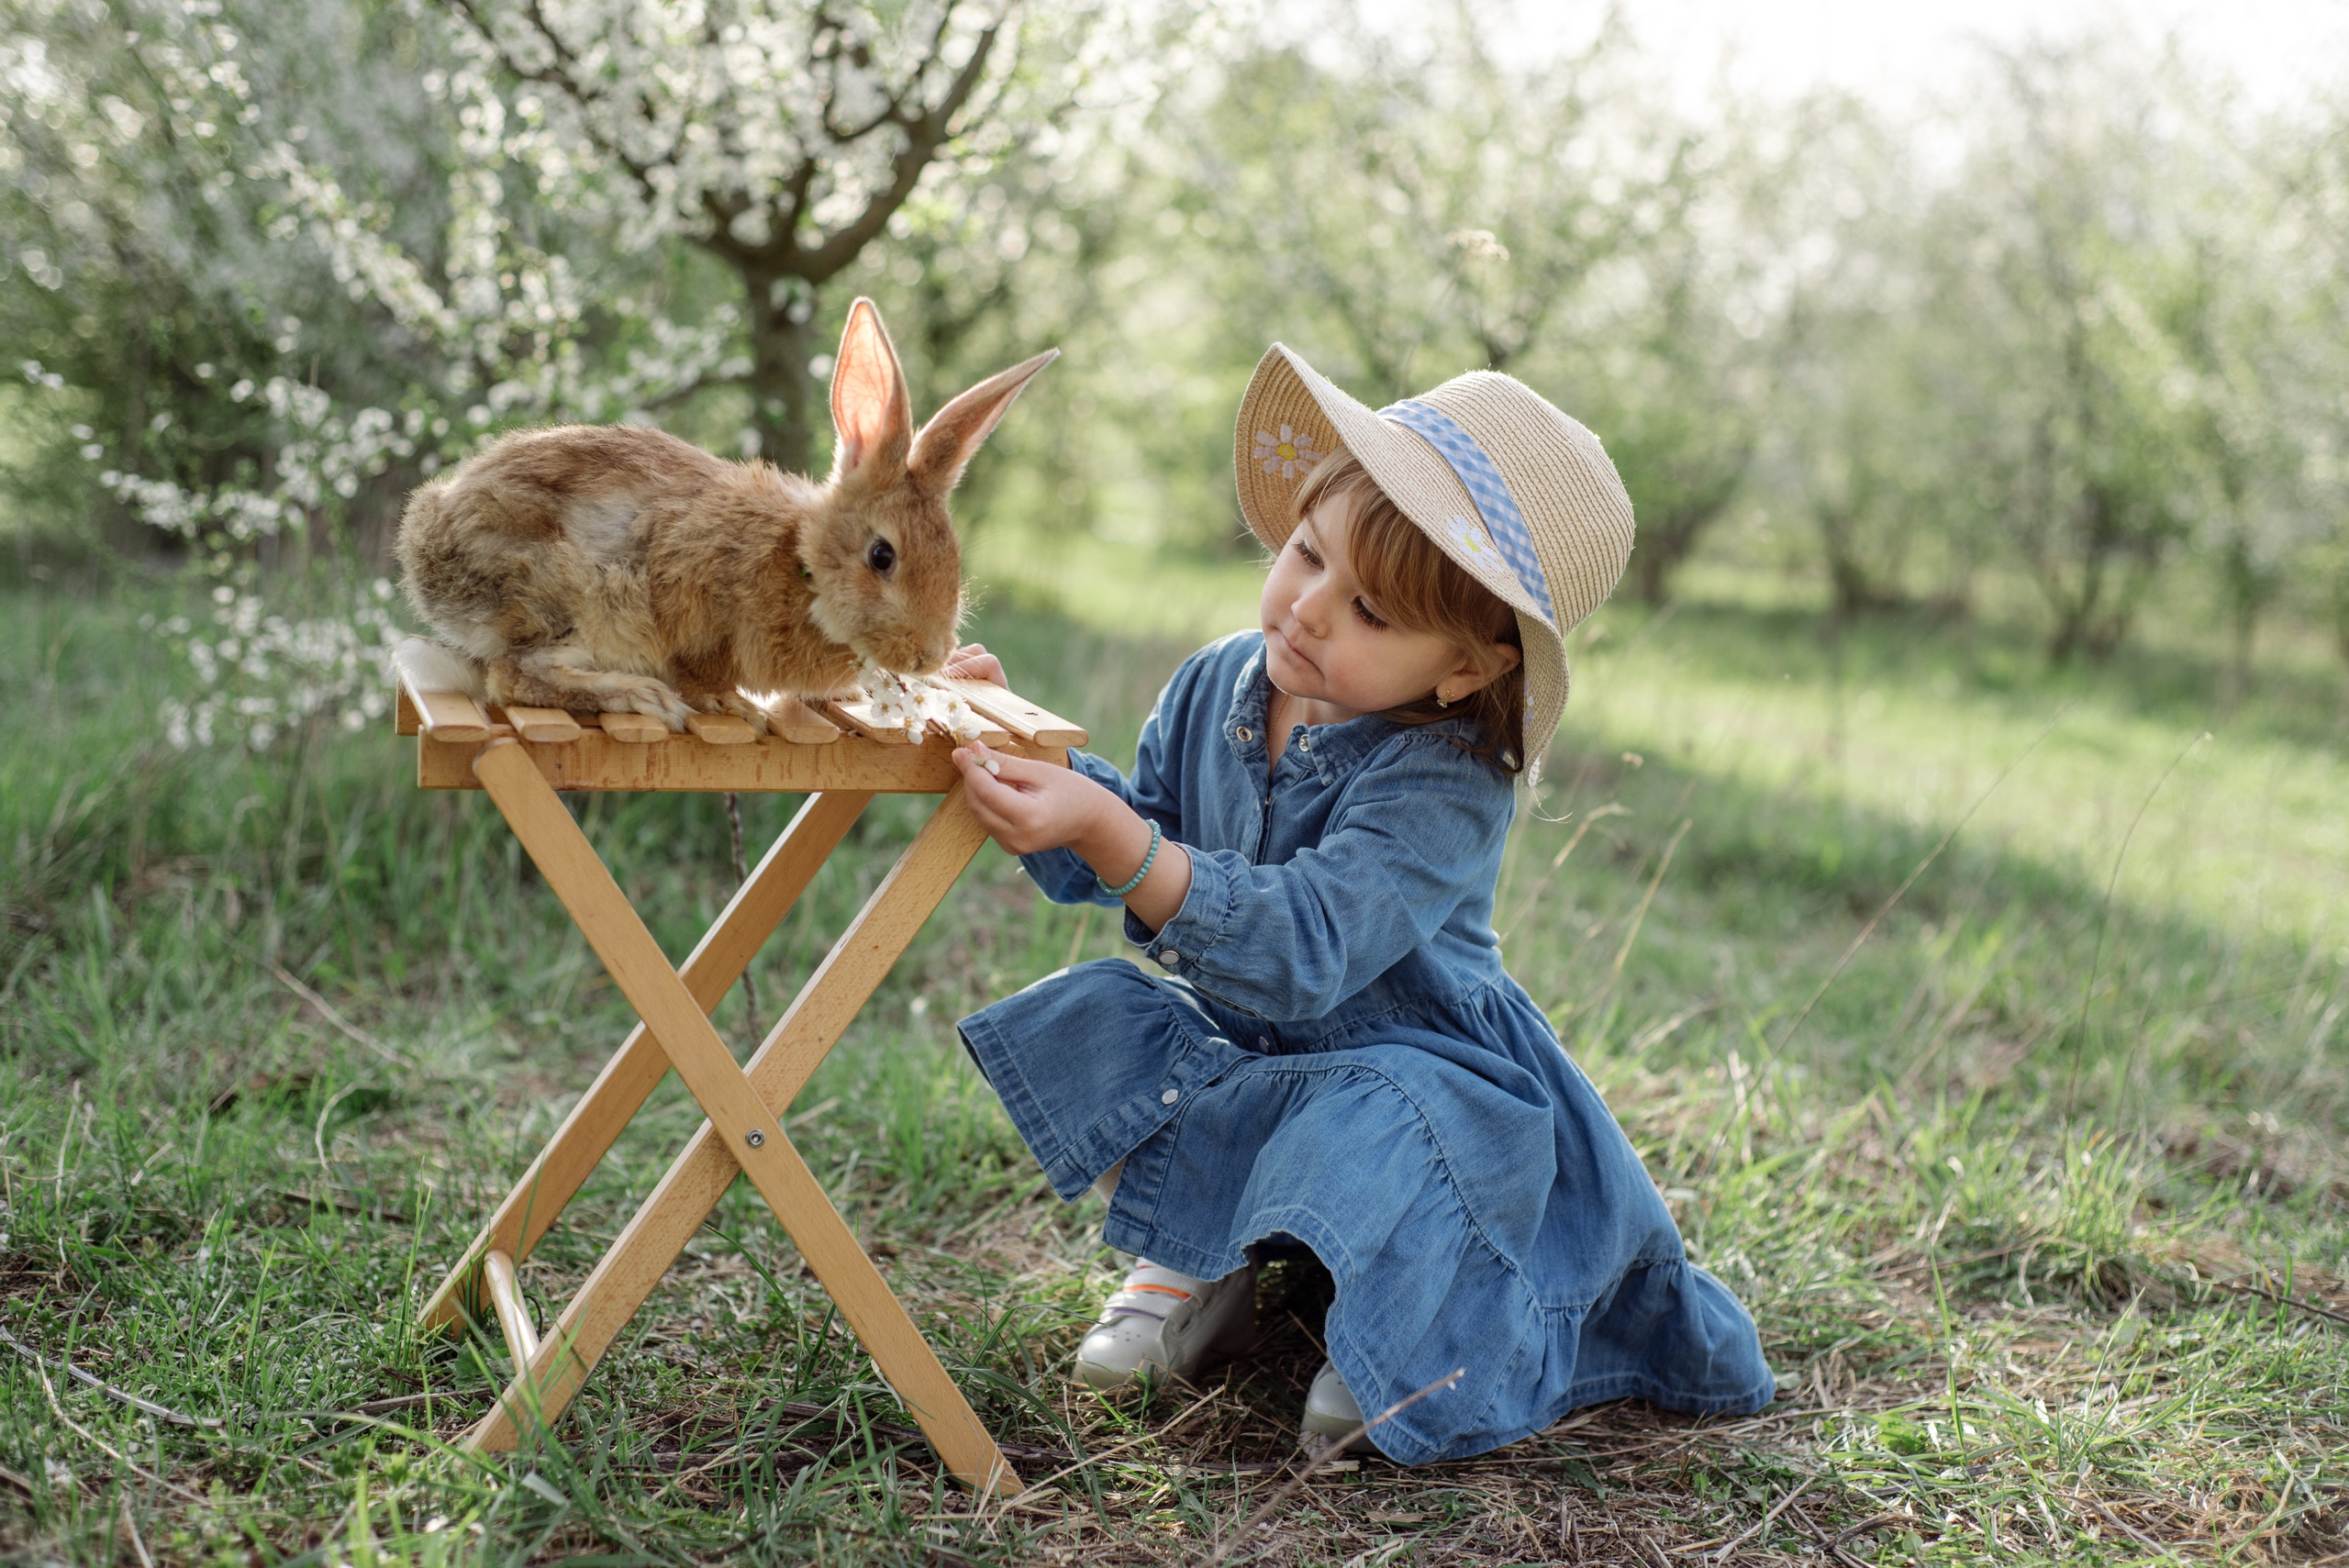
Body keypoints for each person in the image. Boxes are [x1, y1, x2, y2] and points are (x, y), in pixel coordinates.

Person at [940, 345, 1775, 1463]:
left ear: (1465, 669)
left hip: (1422, 1088)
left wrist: (1114, 836)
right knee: (1092, 1013)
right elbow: (1143, 832)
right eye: (1306, 553)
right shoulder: (1216, 680)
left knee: (1376, 1113)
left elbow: (1306, 943)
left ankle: (1406, 1316)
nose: (1309, 608)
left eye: (1371, 611)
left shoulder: (1447, 777)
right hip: (1252, 1058)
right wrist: (1038, 766)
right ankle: (1201, 1260)